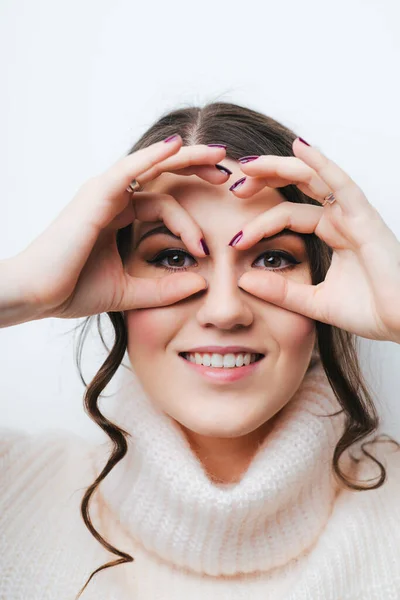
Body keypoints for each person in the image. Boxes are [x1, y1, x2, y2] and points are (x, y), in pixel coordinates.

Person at [1, 102, 400, 600]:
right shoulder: (10, 491)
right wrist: (21, 289)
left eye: (273, 258)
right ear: (109, 279)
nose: (225, 310)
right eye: (173, 257)